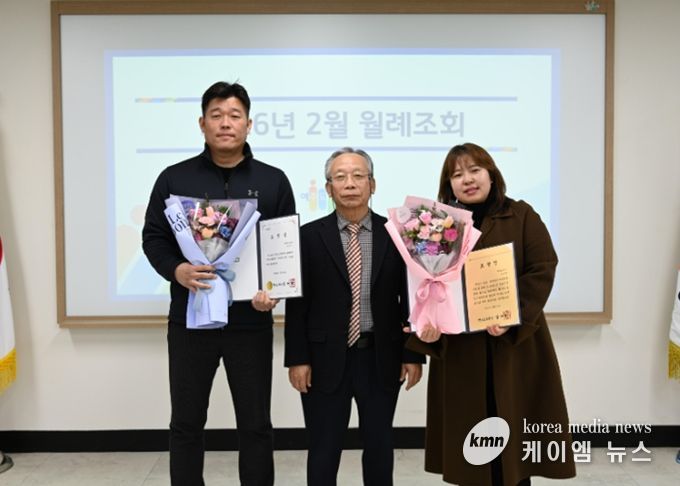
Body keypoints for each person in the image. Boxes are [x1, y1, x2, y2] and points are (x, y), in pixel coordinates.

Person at [142, 81, 295, 486]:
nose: (225, 123)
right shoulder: (174, 179)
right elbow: (154, 238)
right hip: (190, 320)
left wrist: (274, 292)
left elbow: (283, 248)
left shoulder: (273, 181)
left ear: (248, 124)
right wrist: (177, 270)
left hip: (250, 322)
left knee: (256, 424)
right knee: (186, 423)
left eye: (234, 115)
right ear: (202, 123)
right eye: (216, 115)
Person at [407, 143, 576, 486]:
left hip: (513, 346)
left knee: (513, 445)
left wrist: (513, 316)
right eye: (457, 174)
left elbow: (542, 268)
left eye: (475, 170)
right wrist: (427, 325)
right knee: (470, 448)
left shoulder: (521, 215)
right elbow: (426, 282)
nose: (467, 180)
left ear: (491, 174)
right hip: (461, 349)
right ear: (449, 184)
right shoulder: (436, 227)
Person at [284, 147, 424, 486]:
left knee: (380, 446)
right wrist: (298, 359)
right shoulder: (308, 237)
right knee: (323, 448)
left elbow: (412, 297)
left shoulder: (398, 234)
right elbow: (298, 303)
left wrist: (413, 354)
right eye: (340, 177)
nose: (350, 184)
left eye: (358, 176)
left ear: (372, 185)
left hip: (380, 356)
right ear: (328, 188)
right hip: (324, 358)